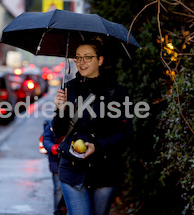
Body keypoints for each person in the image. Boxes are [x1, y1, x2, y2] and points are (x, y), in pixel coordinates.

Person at [52, 39, 133, 215]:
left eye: (88, 57)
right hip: (72, 168)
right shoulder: (68, 89)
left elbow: (127, 133)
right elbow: (58, 131)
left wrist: (98, 146)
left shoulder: (116, 92)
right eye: (78, 58)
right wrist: (60, 110)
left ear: (100, 60)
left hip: (105, 171)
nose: (81, 62)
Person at [42, 119, 66, 215]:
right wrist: (52, 147)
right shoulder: (53, 123)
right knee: (58, 188)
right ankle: (58, 210)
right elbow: (45, 138)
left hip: (72, 160)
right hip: (56, 161)